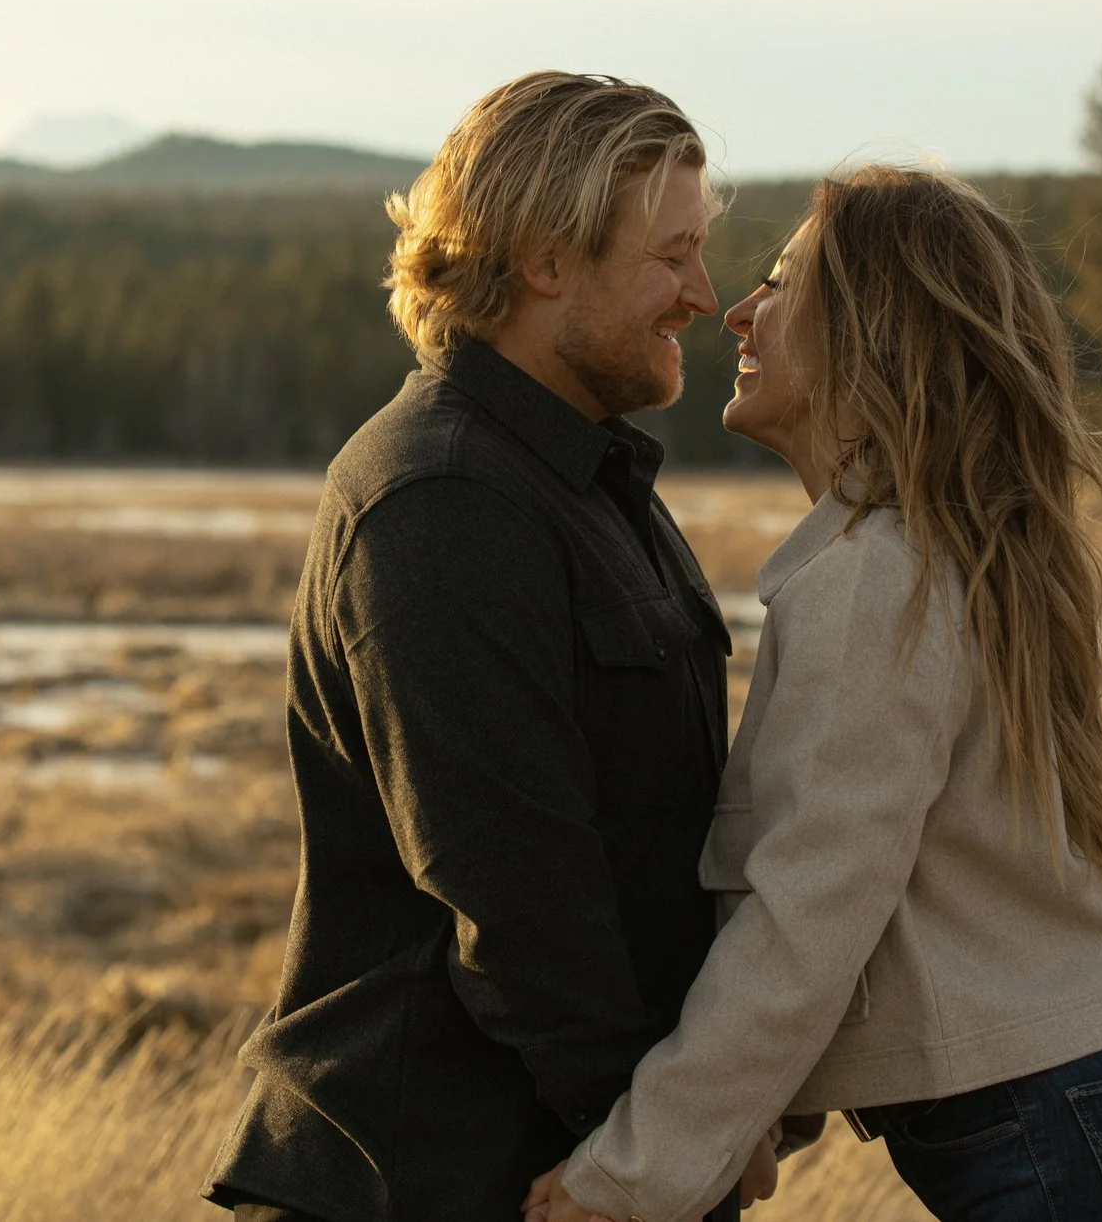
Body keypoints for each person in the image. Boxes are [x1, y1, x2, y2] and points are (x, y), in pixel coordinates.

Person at [527, 165, 1102, 1222]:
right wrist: (746, 1116)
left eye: (780, 283)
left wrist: (636, 1175)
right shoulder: (927, 554)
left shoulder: (881, 577)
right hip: (1101, 1133)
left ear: (868, 331)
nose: (738, 307)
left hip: (1072, 1151)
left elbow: (810, 911)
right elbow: (882, 906)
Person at [203, 72, 771, 1222]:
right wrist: (649, 1153)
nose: (701, 296)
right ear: (544, 258)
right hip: (430, 1177)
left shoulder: (589, 482)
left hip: (549, 1164)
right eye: (671, 255)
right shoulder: (442, 496)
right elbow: (512, 887)